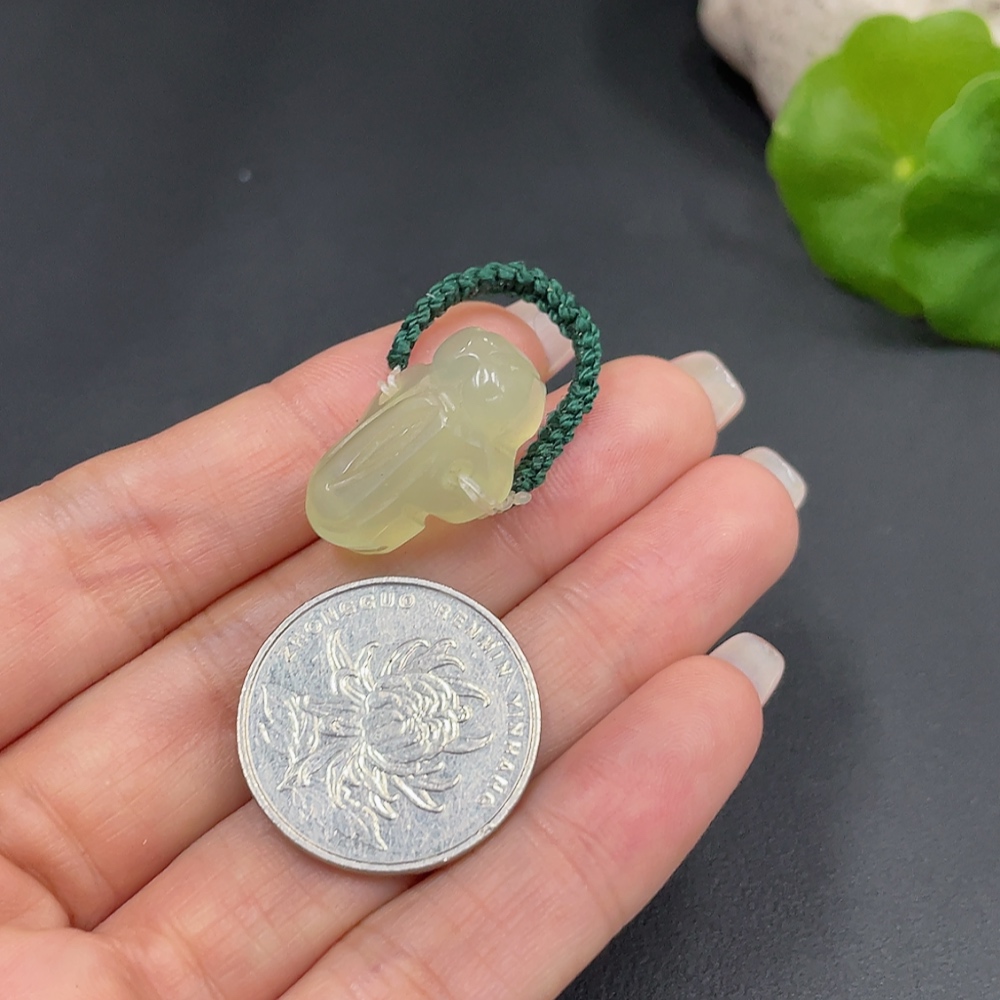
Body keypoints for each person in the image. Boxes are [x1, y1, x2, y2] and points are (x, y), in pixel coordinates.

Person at [0, 300, 803, 999]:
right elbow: (466, 488)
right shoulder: (451, 426)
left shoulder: (420, 396)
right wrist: (496, 488)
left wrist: (484, 478)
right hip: (361, 521)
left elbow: (442, 461)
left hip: (351, 512)